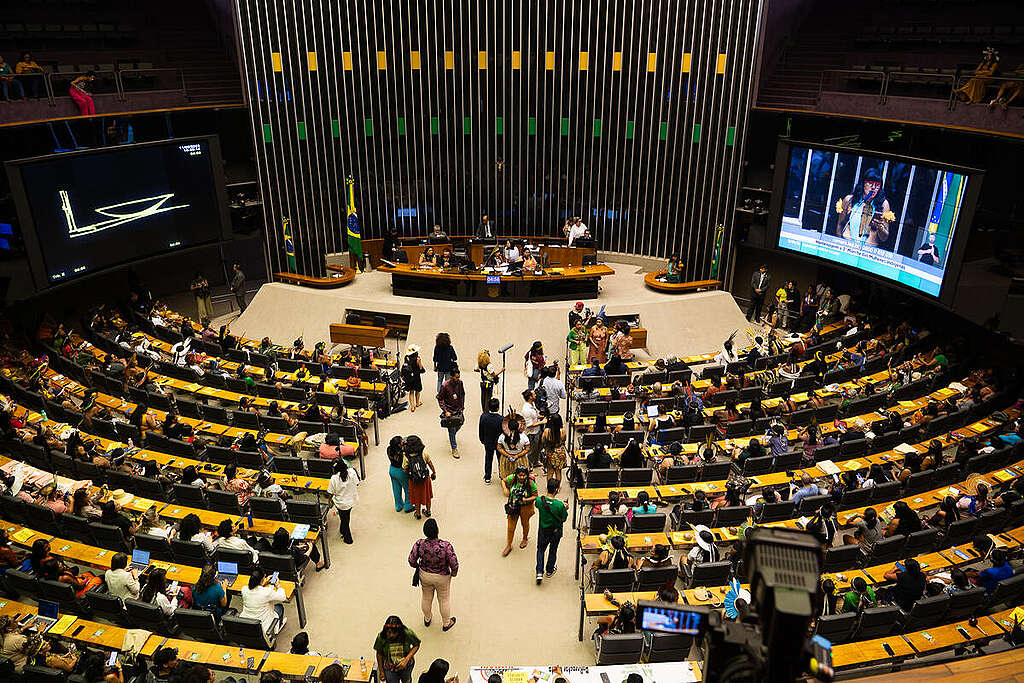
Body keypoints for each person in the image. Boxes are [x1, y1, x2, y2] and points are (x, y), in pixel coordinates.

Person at [408, 519, 458, 630]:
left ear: (424, 531)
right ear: (437, 530)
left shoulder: (419, 544)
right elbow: (454, 563)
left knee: (426, 598)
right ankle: (446, 623)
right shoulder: (446, 546)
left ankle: (427, 618)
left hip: (425, 575)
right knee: (444, 600)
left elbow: (411, 560)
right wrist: (453, 573)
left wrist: (417, 567)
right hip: (442, 577)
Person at [836, 168, 892, 247]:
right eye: (870, 184)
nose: (873, 188)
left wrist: (880, 227)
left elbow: (884, 238)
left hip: (868, 250)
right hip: (847, 245)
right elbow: (839, 225)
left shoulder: (884, 204)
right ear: (863, 184)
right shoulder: (849, 200)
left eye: (877, 185)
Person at [535, 478, 567, 582]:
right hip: (556, 531)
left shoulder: (540, 500)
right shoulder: (560, 505)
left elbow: (537, 505)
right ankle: (549, 570)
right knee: (553, 550)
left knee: (540, 549)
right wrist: (565, 508)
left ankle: (539, 572)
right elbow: (564, 519)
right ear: (557, 490)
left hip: (543, 530)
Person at [502, 465, 538, 557]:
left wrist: (526, 500)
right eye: (519, 475)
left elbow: (535, 496)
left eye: (523, 475)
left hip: (526, 507)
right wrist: (505, 489)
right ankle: (509, 545)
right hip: (513, 506)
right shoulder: (512, 478)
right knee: (510, 527)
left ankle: (525, 538)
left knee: (525, 523)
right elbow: (503, 480)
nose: (521, 477)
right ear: (516, 474)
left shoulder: (530, 483)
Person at [239, 567, 287, 635]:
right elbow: (283, 597)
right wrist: (278, 585)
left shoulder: (244, 589)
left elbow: (255, 589)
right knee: (279, 607)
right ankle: (276, 629)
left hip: (247, 624)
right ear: (262, 579)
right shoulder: (266, 592)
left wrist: (263, 583)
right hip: (263, 628)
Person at [374, 615, 421, 683]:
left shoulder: (407, 633)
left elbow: (416, 645)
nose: (391, 635)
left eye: (394, 632)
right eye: (389, 632)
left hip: (406, 666)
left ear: (399, 631)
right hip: (389, 668)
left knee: (406, 680)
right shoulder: (381, 637)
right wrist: (381, 671)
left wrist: (406, 660)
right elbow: (379, 653)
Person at [404, 435, 436, 520]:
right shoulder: (423, 453)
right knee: (428, 496)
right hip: (425, 479)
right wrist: (434, 472)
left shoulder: (406, 456)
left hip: (414, 481)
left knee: (416, 497)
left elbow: (404, 468)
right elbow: (430, 463)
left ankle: (418, 514)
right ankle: (428, 512)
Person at [328, 458, 359, 544]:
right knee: (346, 517)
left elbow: (331, 493)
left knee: (344, 518)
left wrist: (329, 501)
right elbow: (357, 483)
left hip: (340, 503)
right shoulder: (352, 472)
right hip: (351, 500)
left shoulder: (334, 478)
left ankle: (348, 538)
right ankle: (342, 530)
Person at [437, 367, 465, 456]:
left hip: (458, 409)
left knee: (461, 423)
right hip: (449, 411)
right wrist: (445, 411)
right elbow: (440, 398)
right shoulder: (445, 385)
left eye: (459, 377)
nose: (458, 379)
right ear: (451, 377)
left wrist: (462, 406)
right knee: (451, 429)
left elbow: (462, 394)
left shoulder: (460, 383)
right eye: (456, 377)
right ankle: (454, 448)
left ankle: (451, 436)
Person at [387, 436, 416, 512]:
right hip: (401, 472)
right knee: (408, 489)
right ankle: (408, 506)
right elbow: (405, 463)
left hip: (392, 470)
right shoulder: (402, 453)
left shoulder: (389, 449)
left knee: (396, 489)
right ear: (399, 445)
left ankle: (398, 506)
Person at [479, 398, 503, 484]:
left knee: (488, 459)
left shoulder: (483, 417)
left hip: (488, 442)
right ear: (498, 408)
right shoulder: (501, 419)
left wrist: (482, 439)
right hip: (499, 443)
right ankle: (502, 475)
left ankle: (487, 477)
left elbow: (481, 429)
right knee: (500, 459)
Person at [520, 388, 545, 469]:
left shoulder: (532, 405)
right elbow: (529, 425)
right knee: (530, 451)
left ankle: (535, 462)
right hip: (531, 434)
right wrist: (542, 422)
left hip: (536, 431)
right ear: (530, 397)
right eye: (534, 394)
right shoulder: (526, 410)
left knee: (537, 448)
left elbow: (534, 415)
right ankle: (529, 467)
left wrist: (540, 417)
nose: (536, 395)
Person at [541, 412, 567, 488]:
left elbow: (543, 441)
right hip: (559, 453)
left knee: (550, 471)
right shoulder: (563, 431)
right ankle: (557, 487)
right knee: (558, 472)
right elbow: (564, 440)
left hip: (550, 453)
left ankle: (550, 487)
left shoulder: (547, 431)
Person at [402, 344, 426, 412]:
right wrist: (419, 362)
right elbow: (422, 370)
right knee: (418, 391)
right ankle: (417, 403)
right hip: (416, 377)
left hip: (409, 377)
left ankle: (412, 406)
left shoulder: (406, 358)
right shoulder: (417, 359)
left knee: (411, 391)